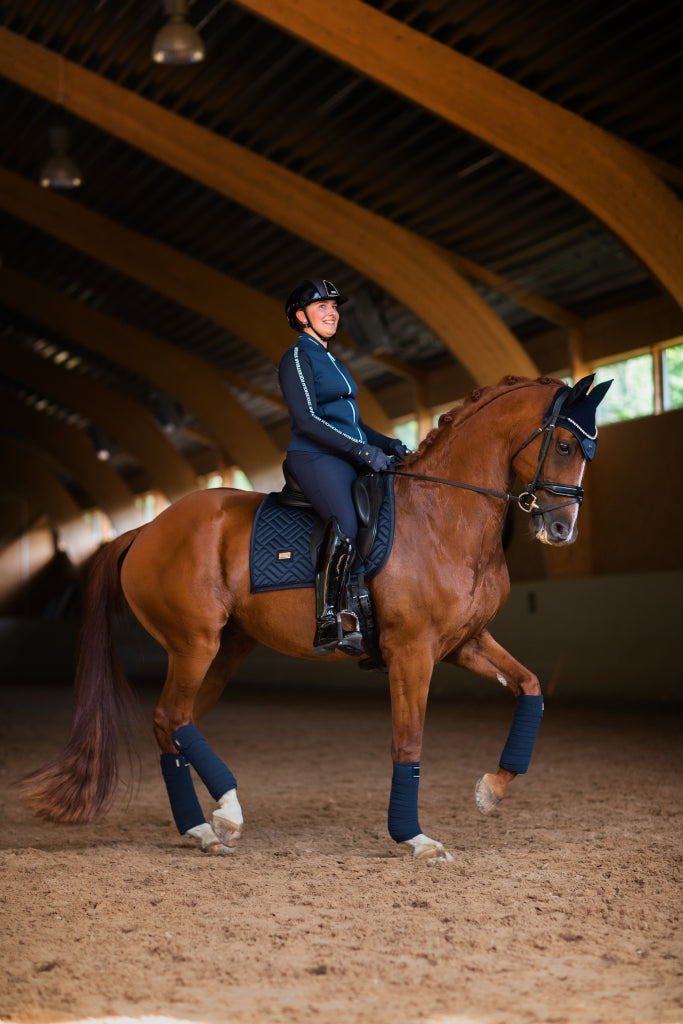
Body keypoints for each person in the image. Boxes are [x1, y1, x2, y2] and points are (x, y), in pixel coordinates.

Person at [278, 278, 409, 657]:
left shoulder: (334, 360)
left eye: (335, 307)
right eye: (323, 307)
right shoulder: (298, 357)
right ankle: (329, 618)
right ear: (301, 317)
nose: (332, 312)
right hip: (315, 455)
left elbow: (354, 423)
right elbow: (306, 420)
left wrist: (386, 443)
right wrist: (362, 452)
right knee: (346, 523)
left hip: (347, 451)